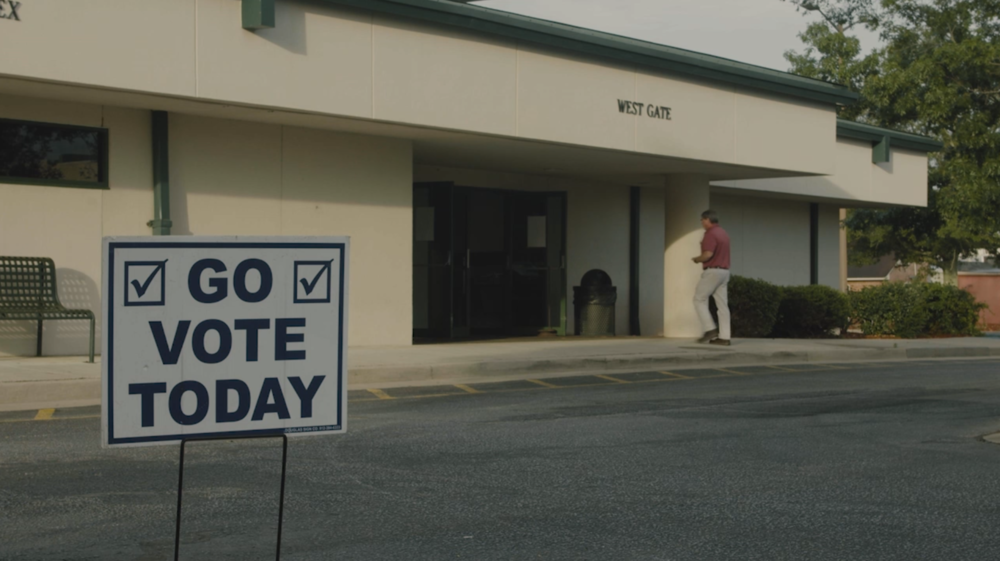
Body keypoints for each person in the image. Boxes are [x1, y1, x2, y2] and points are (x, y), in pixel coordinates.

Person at [691, 210, 731, 346]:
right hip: (724, 271)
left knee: (698, 299)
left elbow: (708, 254)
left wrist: (697, 259)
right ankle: (725, 337)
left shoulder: (710, 234)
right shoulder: (723, 233)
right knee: (722, 306)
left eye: (702, 219)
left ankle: (710, 329)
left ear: (708, 219)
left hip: (712, 271)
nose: (701, 222)